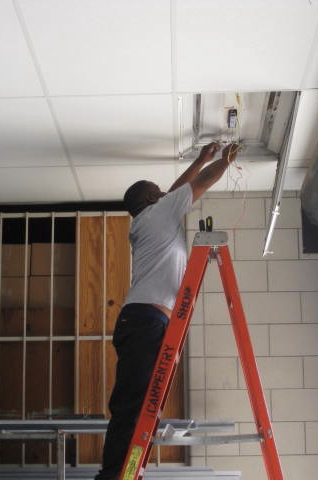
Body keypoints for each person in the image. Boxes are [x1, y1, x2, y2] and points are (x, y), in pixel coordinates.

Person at [94, 142, 240, 480]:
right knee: (132, 406)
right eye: (158, 192)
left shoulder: (151, 217)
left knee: (134, 404)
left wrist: (202, 157)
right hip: (145, 322)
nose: (165, 193)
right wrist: (224, 161)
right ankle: (114, 475)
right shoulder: (160, 212)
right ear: (151, 200)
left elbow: (176, 191)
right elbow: (200, 183)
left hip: (143, 320)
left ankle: (118, 472)